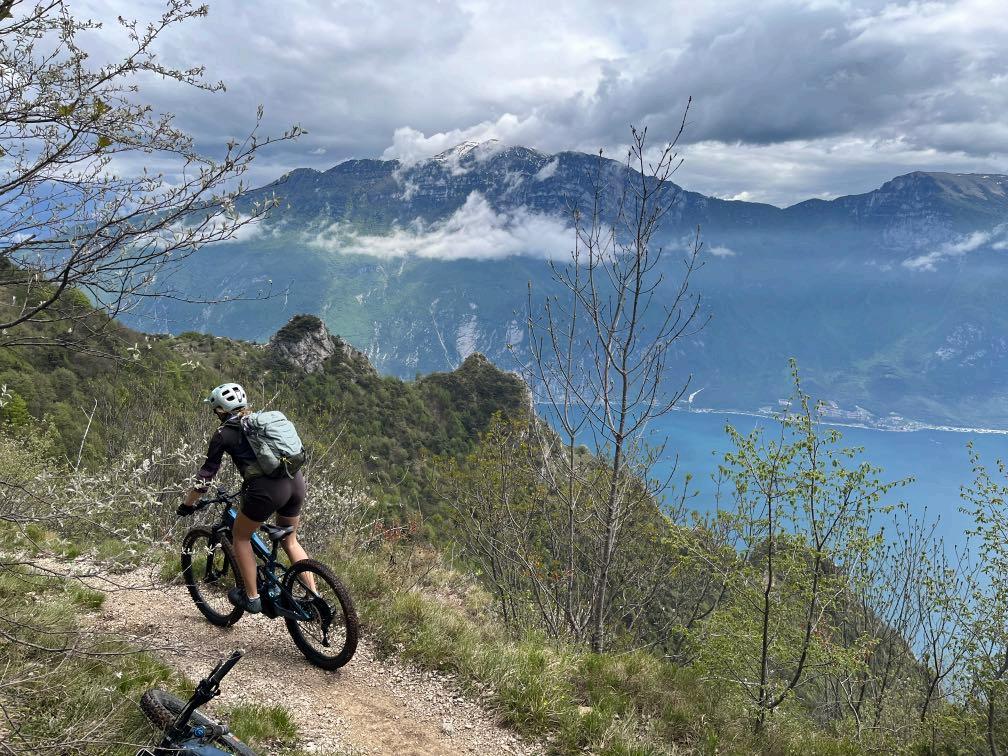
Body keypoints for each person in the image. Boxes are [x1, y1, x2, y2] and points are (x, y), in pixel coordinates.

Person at [179, 382, 313, 614]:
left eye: (215, 410)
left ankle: (252, 597)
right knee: (290, 541)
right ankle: (314, 598)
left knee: (240, 537)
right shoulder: (260, 422)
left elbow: (205, 477)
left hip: (266, 490)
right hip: (296, 482)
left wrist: (187, 504)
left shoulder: (223, 434)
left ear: (220, 410)